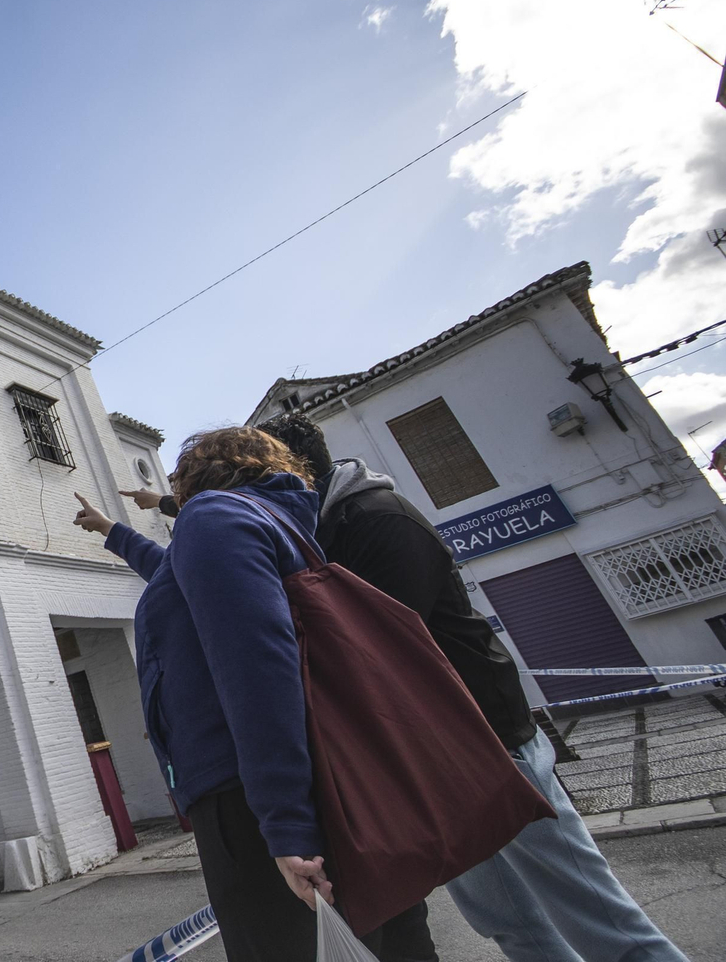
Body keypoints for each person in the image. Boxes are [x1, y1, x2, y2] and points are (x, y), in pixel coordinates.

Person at [252, 410, 689, 962]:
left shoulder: (377, 521)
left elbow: (370, 648)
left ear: (291, 473)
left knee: (601, 922)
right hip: (439, 760)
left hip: (490, 740)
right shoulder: (324, 530)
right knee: (509, 925)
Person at [74, 426, 380, 962]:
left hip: (243, 792)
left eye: (177, 479)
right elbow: (172, 574)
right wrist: (111, 531)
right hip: (278, 779)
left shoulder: (213, 518)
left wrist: (286, 826)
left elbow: (257, 665)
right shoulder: (263, 519)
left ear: (197, 477)